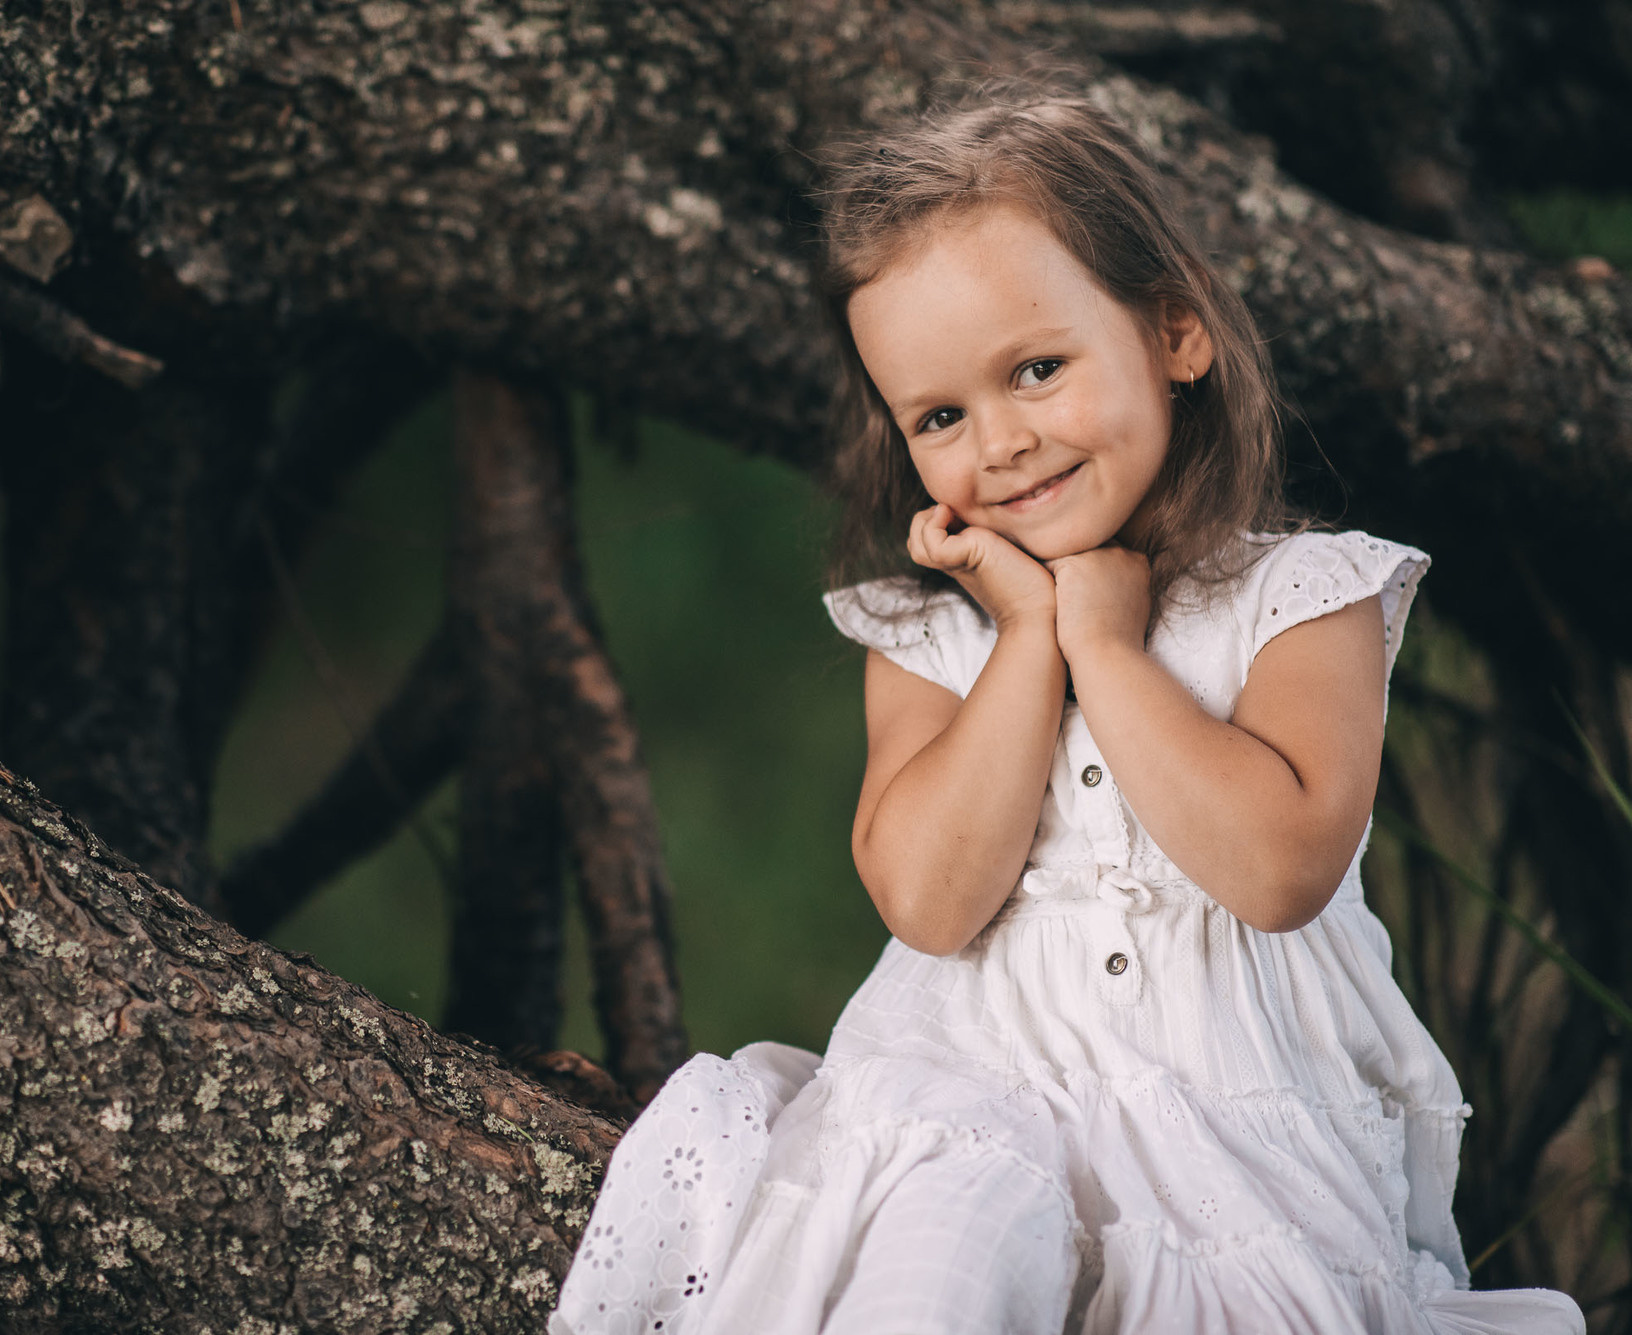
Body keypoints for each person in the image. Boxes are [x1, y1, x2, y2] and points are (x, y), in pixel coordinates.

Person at [549, 85, 1587, 1335]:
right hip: (967, 1098)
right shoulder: (930, 636)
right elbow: (930, 902)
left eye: (1034, 370)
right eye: (938, 415)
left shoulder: (1304, 599)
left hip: (1229, 1144)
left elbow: (1274, 871)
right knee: (928, 1276)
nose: (997, 443)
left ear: (1175, 335)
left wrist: (1108, 644)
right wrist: (1031, 637)